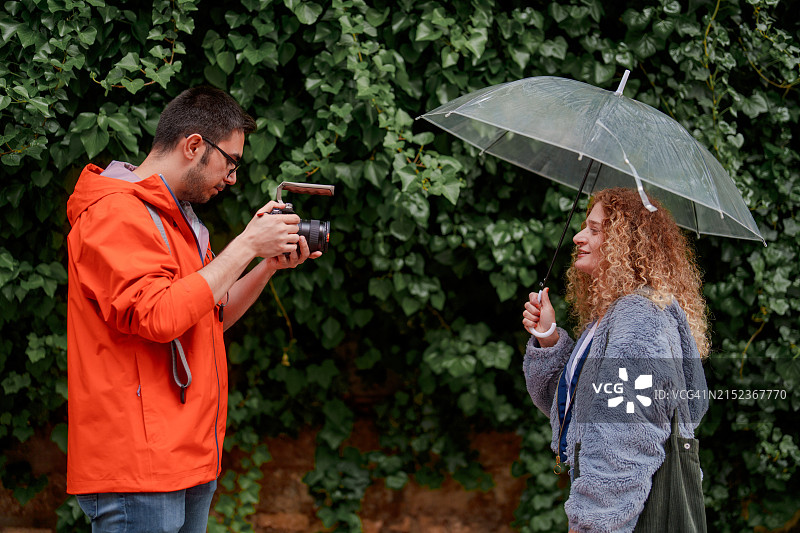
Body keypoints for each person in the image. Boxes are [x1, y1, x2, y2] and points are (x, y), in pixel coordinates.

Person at [66, 86, 319, 532]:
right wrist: (244, 245)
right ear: (195, 145)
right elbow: (158, 317)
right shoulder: (114, 213)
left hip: (188, 456)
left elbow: (207, 319)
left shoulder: (175, 219)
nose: (233, 178)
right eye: (232, 162)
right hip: (140, 467)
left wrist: (265, 265)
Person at [521, 188, 709, 533]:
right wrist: (548, 336)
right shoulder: (611, 318)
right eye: (584, 227)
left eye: (595, 230)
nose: (578, 236)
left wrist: (594, 523)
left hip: (626, 517)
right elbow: (574, 411)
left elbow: (624, 439)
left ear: (627, 242)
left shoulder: (637, 316)